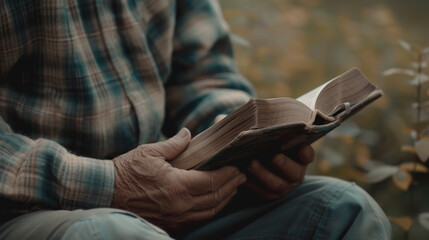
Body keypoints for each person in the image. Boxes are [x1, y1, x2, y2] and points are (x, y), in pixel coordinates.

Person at [0, 0, 391, 239]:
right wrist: (109, 186)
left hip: (175, 198)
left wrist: (238, 140)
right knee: (115, 234)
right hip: (32, 212)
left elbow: (201, 70)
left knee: (344, 210)